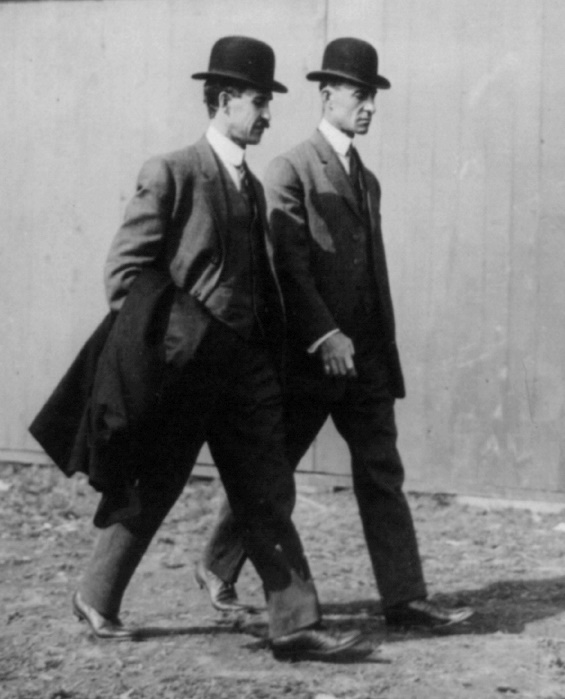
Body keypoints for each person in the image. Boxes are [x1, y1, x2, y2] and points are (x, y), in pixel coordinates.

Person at [63, 36, 364, 660]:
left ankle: (295, 624)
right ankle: (96, 595)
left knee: (267, 491)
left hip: (244, 374)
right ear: (225, 100)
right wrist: (184, 339)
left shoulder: (251, 185)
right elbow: (124, 276)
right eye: (258, 101)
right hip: (181, 371)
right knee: (153, 486)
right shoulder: (171, 171)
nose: (267, 115)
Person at [197, 38, 474, 631]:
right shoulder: (289, 169)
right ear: (328, 95)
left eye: (374, 95)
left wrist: (377, 346)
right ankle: (217, 565)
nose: (369, 105)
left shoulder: (367, 181)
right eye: (359, 94)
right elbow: (287, 265)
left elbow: (371, 275)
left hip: (368, 359)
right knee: (271, 473)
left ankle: (405, 598)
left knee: (381, 473)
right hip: (313, 358)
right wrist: (325, 336)